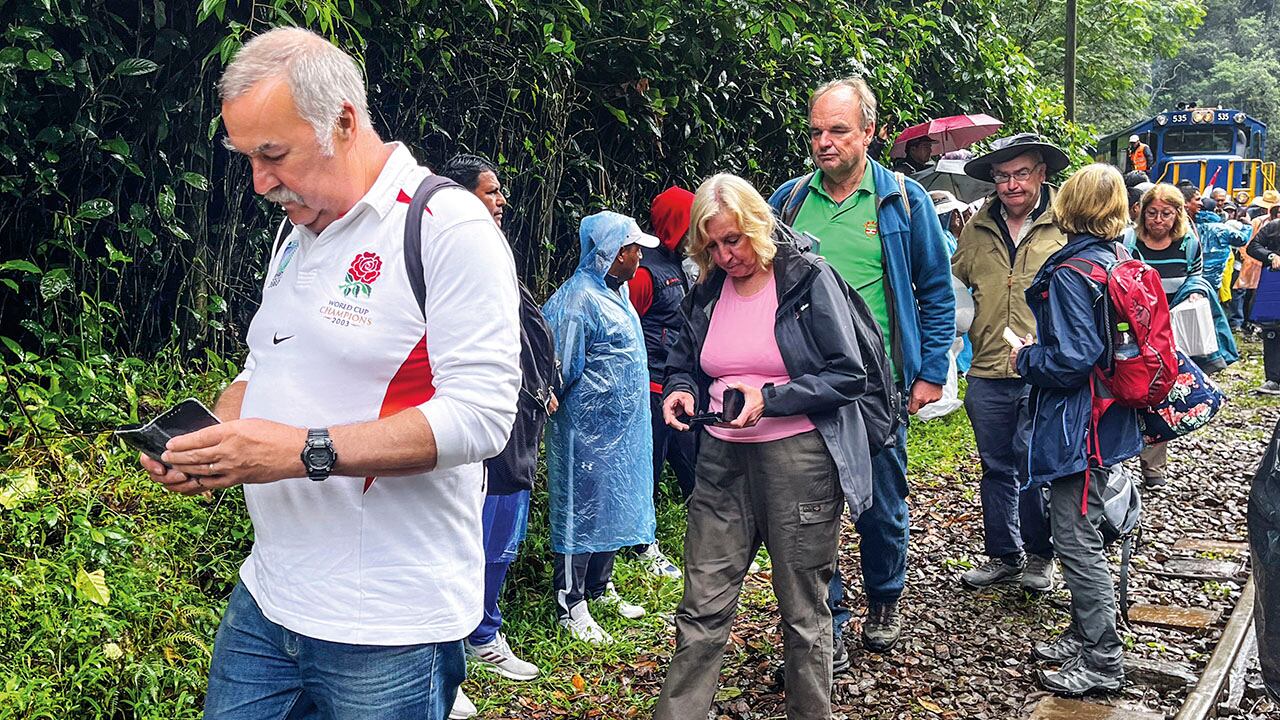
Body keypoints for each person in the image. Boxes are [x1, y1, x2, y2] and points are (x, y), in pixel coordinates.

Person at [142, 28, 522, 720]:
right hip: (269, 596)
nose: (259, 182)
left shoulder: (446, 227)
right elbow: (265, 364)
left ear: (343, 121)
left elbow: (482, 416)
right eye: (247, 157)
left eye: (273, 154)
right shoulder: (298, 232)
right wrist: (213, 436)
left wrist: (297, 451)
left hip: (386, 624)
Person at [654, 173, 872, 720]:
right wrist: (681, 390)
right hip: (721, 458)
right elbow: (685, 358)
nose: (728, 255)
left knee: (803, 608)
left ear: (758, 227)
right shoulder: (706, 288)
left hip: (797, 458)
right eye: (715, 245)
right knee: (702, 603)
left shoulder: (806, 279)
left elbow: (849, 373)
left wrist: (771, 396)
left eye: (737, 240)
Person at [770, 77, 956, 655]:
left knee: (878, 503)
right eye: (816, 131)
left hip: (879, 383)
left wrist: (927, 372)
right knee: (810, 508)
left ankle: (883, 597)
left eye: (838, 131)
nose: (824, 142)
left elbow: (935, 289)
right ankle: (831, 616)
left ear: (869, 133)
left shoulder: (901, 199)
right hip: (808, 381)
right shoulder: (789, 201)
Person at [1013, 163, 1143, 696]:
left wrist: (1026, 357)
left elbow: (1071, 358)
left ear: (1068, 205)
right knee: (1083, 531)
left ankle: (1102, 660)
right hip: (1110, 416)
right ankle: (1082, 632)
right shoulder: (1119, 259)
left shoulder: (1072, 271)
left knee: (1074, 537)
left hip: (1077, 425)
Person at [437, 154, 554, 718]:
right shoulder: (444, 257)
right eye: (491, 192)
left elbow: (524, 337)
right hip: (476, 431)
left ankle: (485, 633)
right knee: (463, 543)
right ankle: (447, 661)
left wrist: (542, 387)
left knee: (502, 539)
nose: (502, 200)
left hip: (517, 427)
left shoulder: (497, 255)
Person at [950, 133, 1070, 591]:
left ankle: (1042, 555)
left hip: (1044, 371)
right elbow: (957, 289)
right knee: (995, 465)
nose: (1011, 185)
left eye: (1021, 173)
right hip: (986, 368)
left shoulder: (1067, 225)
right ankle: (1003, 554)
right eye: (1002, 176)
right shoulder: (976, 229)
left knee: (1036, 463)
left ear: (1042, 174)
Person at [542, 211, 659, 644]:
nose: (638, 256)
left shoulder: (619, 292)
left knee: (610, 505)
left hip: (621, 431)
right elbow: (561, 369)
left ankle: (599, 586)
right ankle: (570, 602)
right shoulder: (577, 301)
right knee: (580, 512)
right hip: (585, 432)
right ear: (610, 254)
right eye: (632, 249)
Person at [627, 185, 698, 581]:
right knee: (648, 471)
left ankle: (711, 536)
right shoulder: (644, 270)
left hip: (679, 386)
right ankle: (642, 546)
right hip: (650, 388)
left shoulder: (677, 263)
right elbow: (628, 328)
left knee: (694, 465)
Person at [1124, 183, 1205, 488]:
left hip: (1169, 332)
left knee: (1159, 395)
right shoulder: (1129, 242)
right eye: (1152, 213)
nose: (1158, 220)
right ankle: (1117, 462)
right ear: (1141, 213)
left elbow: (1196, 277)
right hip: (1131, 330)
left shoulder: (1188, 244)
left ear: (1177, 215)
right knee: (1127, 392)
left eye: (1166, 214)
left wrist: (1195, 294)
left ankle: (1153, 467)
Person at [1246, 218, 1280, 394]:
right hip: (1275, 285)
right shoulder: (1275, 226)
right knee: (1272, 330)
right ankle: (1273, 379)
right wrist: (1271, 256)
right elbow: (1253, 246)